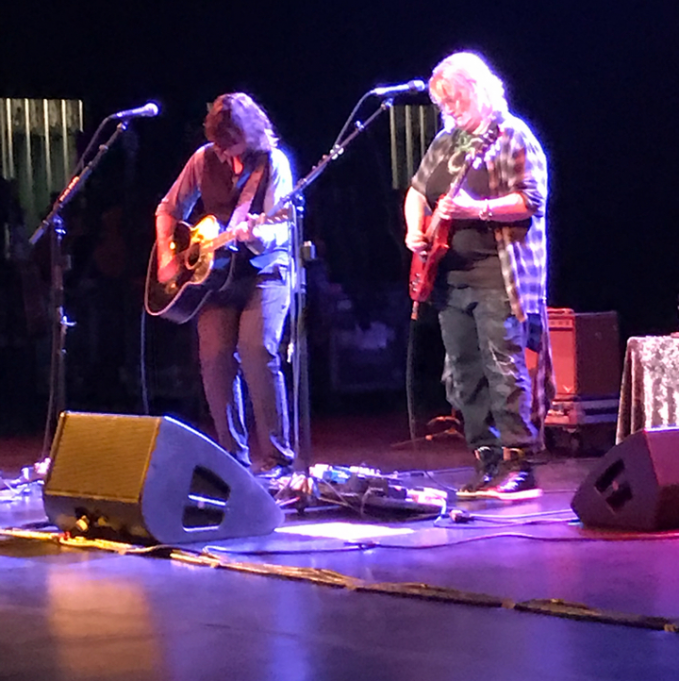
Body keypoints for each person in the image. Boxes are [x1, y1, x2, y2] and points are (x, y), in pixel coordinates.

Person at [404, 52, 554, 500]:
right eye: (443, 104)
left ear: (478, 89)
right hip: (450, 278)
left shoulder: (511, 137)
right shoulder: (446, 142)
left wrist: (477, 209)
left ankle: (519, 462)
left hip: (498, 273)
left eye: (455, 100)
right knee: (463, 372)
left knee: (503, 367)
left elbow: (532, 200)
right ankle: (486, 459)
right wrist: (415, 229)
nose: (449, 110)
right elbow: (416, 190)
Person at [155, 92, 295, 478]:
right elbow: (168, 208)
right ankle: (233, 460)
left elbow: (281, 229)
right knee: (214, 359)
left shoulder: (274, 163)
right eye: (219, 145)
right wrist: (168, 258)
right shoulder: (203, 159)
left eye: (230, 144)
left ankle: (277, 459)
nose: (224, 154)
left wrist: (254, 234)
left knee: (257, 351)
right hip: (217, 276)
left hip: (265, 270)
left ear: (249, 134)